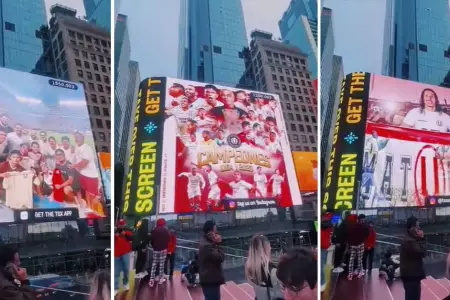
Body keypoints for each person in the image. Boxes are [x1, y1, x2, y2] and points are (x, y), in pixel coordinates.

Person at [245, 234, 283, 300]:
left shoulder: (250, 269)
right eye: (269, 246)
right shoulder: (271, 270)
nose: (271, 248)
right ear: (265, 248)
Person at [400, 216, 425, 300]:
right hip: (411, 275)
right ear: (411, 227)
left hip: (412, 274)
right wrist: (421, 239)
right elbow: (422, 252)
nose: (419, 228)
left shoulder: (410, 239)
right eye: (417, 226)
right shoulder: (409, 241)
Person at [198, 220, 225, 300]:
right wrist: (218, 243)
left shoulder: (206, 242)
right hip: (210, 280)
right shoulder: (207, 246)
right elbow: (220, 257)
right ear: (210, 231)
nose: (216, 232)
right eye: (215, 229)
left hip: (209, 279)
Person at [149, 218, 170, 287]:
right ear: (163, 223)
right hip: (163, 250)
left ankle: (151, 280)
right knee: (161, 265)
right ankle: (161, 279)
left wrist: (154, 247)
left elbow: (151, 240)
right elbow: (168, 239)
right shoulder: (165, 230)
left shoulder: (154, 230)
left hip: (156, 250)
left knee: (154, 264)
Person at [114, 219, 132, 296]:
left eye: (123, 224)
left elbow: (131, 238)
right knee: (116, 271)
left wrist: (125, 233)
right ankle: (115, 288)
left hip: (126, 253)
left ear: (125, 224)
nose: (121, 225)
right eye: (120, 224)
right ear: (118, 225)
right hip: (116, 254)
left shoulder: (128, 231)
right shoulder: (114, 231)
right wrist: (115, 236)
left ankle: (125, 283)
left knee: (127, 269)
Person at [347, 214, 368, 280]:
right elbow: (366, 235)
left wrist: (350, 244)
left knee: (352, 260)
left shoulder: (350, 226)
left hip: (353, 245)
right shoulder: (363, 226)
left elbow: (349, 237)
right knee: (359, 260)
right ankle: (360, 272)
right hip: (360, 244)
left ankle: (351, 274)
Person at [320, 212, 333, 291]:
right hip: (322, 248)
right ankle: (321, 283)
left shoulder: (326, 226)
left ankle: (322, 283)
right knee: (320, 266)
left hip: (322, 248)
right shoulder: (325, 227)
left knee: (320, 267)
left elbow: (320, 225)